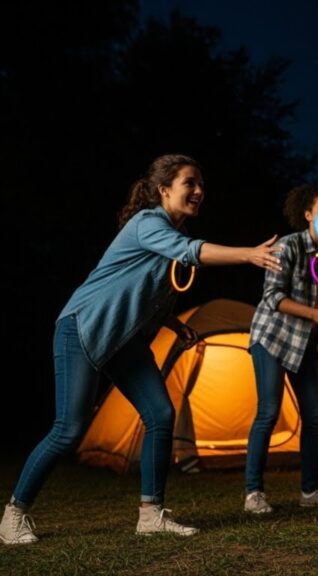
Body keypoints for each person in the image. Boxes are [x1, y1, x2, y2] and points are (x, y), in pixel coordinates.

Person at [0, 154, 282, 544]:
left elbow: (146, 293)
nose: (199, 191)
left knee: (160, 413)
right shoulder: (148, 223)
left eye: (201, 184)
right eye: (189, 183)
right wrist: (249, 254)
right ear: (164, 189)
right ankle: (13, 515)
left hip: (124, 340)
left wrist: (175, 324)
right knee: (68, 430)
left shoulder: (172, 235)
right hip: (82, 327)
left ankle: (151, 515)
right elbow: (191, 251)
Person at [244, 185, 318, 514]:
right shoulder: (288, 246)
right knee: (269, 411)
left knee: (315, 416)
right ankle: (253, 494)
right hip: (272, 337)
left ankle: (310, 492)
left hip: (305, 342)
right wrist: (314, 315)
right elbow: (273, 297)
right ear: (308, 214)